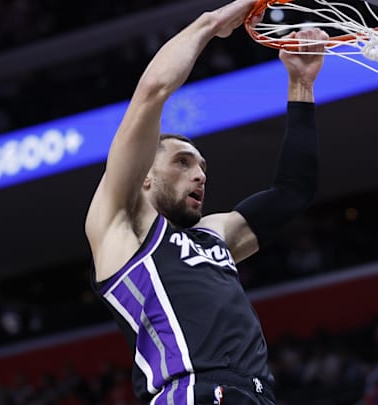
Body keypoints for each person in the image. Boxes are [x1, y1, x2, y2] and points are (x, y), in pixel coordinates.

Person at [83, 0, 328, 403]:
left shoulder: (214, 235)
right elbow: (152, 92)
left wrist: (301, 85)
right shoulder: (123, 228)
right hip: (188, 392)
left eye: (202, 167)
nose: (199, 174)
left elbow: (293, 191)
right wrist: (211, 23)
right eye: (182, 162)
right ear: (144, 175)